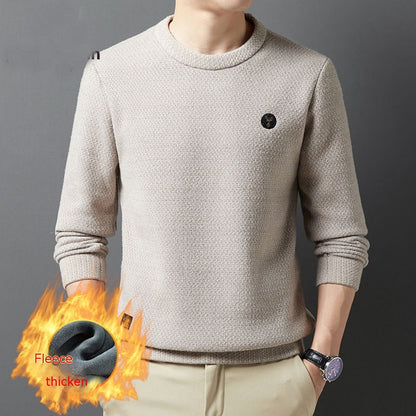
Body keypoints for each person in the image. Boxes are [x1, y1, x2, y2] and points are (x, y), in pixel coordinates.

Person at [53, 1, 370, 415]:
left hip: (272, 384)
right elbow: (81, 233)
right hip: (142, 383)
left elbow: (342, 237)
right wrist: (100, 359)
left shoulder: (307, 75)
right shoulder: (111, 74)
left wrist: (320, 362)